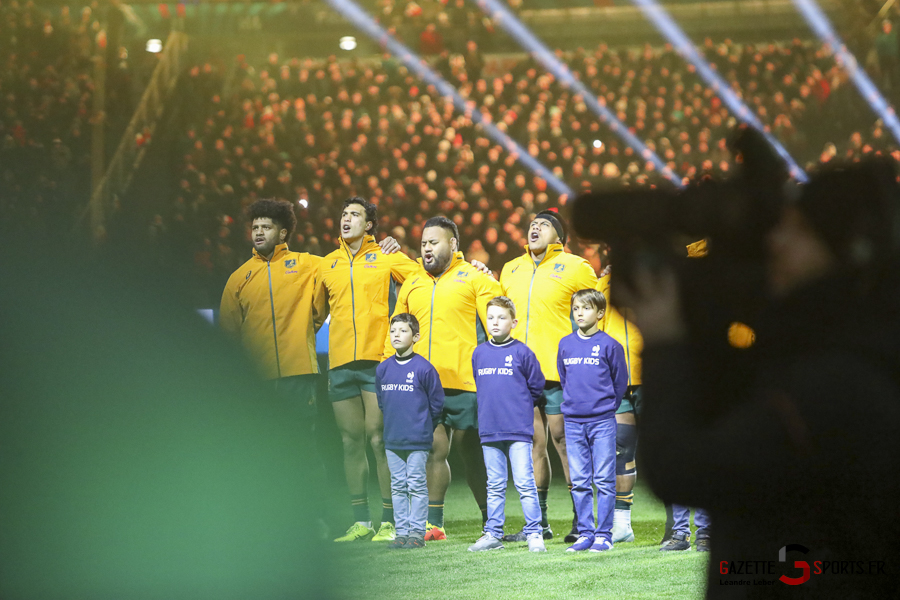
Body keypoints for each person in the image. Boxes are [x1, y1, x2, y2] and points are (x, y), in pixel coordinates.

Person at [627, 160, 900, 596]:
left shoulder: (837, 377)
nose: (775, 241)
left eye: (800, 230)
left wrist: (665, 344)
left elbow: (680, 469)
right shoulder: (847, 343)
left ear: (852, 249)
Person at [388, 216, 502, 540]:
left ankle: (491, 521)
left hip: (467, 382)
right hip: (424, 383)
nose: (426, 248)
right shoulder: (413, 281)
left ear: (452, 244)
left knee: (474, 453)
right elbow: (396, 328)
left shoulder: (476, 278)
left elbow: (498, 326)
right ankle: (434, 523)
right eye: (423, 243)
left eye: (433, 242)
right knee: (434, 450)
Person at [314, 197, 419, 543]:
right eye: (344, 214)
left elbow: (421, 280)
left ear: (369, 224)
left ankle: (390, 521)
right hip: (340, 364)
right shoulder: (327, 264)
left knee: (379, 439)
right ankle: (361, 521)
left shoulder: (386, 255)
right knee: (350, 442)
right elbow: (315, 313)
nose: (346, 219)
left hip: (378, 360)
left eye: (355, 215)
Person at [499, 209, 599, 543]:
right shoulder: (511, 269)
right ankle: (538, 522)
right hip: (519, 374)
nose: (535, 228)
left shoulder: (576, 267)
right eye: (532, 224)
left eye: (544, 225)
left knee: (564, 441)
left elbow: (599, 309)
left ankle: (582, 521)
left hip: (560, 372)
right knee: (531, 444)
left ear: (559, 236)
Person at [220, 198, 324, 412]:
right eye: (255, 228)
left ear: (282, 233)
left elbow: (346, 266)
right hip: (256, 378)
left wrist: (385, 247)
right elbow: (228, 332)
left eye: (266, 227)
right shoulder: (238, 278)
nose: (259, 232)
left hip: (299, 373)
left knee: (300, 433)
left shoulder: (307, 264)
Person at [469, 297, 547, 553]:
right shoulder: (479, 353)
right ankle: (493, 533)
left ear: (513, 322)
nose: (495, 322)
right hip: (490, 430)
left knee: (525, 483)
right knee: (494, 484)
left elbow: (536, 387)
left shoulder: (522, 352)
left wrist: (518, 409)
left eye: (501, 317)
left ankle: (534, 532)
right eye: (491, 317)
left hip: (517, 430)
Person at [557, 289, 628, 552]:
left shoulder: (610, 345)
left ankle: (604, 535)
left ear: (600, 313)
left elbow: (620, 382)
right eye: (576, 308)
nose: (579, 313)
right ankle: (585, 533)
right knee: (579, 481)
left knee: (604, 480)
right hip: (573, 422)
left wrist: (605, 407)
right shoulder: (565, 344)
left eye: (586, 308)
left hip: (602, 422)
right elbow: (564, 378)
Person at [376, 313, 445, 550]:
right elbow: (382, 403)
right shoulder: (383, 369)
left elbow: (436, 405)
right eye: (393, 331)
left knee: (416, 484)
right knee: (397, 486)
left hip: (417, 439)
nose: (396, 335)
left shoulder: (424, 368)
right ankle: (402, 533)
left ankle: (416, 533)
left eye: (403, 331)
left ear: (415, 337)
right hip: (393, 439)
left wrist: (423, 427)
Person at [597, 267, 644, 544]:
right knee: (621, 450)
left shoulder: (663, 272)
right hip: (617, 380)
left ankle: (679, 530)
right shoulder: (604, 282)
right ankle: (622, 525)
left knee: (667, 447)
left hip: (653, 376)